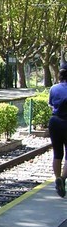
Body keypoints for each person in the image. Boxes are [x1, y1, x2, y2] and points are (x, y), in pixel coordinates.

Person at [48, 62, 67, 197]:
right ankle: (63, 178)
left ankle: (57, 178)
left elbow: (51, 104)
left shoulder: (53, 88)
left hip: (55, 122)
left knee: (57, 153)